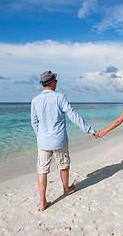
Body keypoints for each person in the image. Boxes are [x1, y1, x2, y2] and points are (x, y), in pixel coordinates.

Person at [31, 70, 99, 211]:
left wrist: (40, 136)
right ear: (53, 82)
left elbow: (34, 123)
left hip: (43, 142)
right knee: (63, 165)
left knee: (42, 171)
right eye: (56, 80)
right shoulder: (60, 97)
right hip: (59, 140)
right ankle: (66, 189)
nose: (57, 82)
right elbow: (74, 117)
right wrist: (90, 130)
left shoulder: (35, 100)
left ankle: (42, 202)